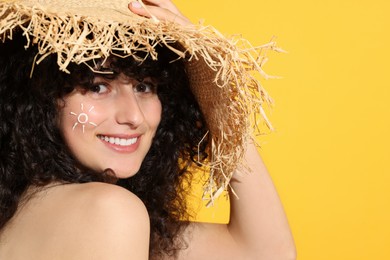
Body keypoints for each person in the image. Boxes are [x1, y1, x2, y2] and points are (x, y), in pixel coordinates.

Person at [0, 0, 296, 259]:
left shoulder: (35, 209)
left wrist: (218, 101)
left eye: (144, 86)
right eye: (97, 86)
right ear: (38, 97)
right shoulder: (110, 212)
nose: (135, 116)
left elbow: (267, 254)